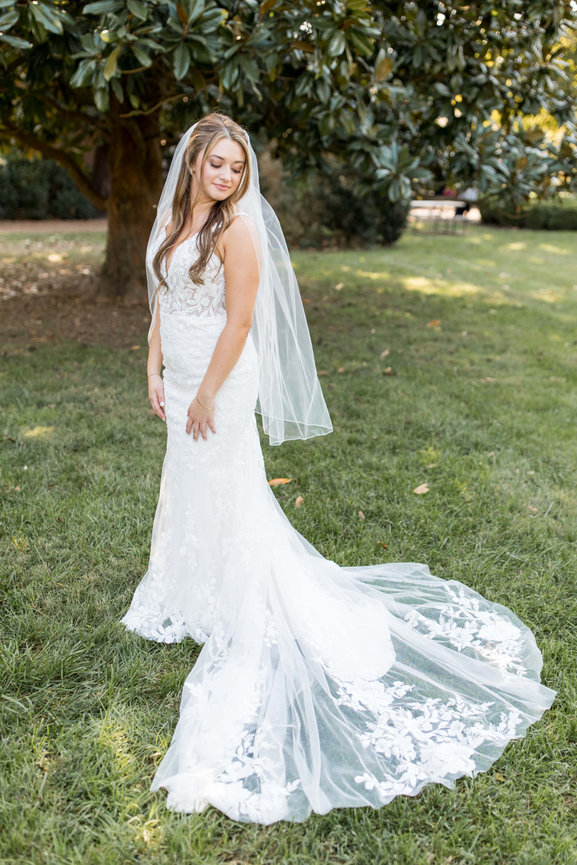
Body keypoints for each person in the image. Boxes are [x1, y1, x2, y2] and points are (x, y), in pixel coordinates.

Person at [121, 113, 555, 825]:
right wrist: (152, 363)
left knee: (231, 487)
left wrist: (203, 391)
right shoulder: (173, 222)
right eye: (216, 164)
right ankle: (192, 584)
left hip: (221, 380)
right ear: (193, 163)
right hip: (179, 373)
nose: (227, 176)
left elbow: (237, 321)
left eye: (237, 167)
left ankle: (242, 592)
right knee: (190, 484)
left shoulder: (236, 229)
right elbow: (162, 299)